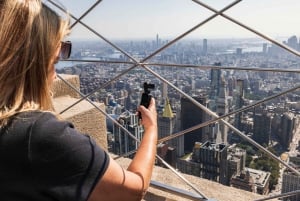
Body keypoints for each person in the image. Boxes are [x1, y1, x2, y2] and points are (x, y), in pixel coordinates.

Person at [0, 0, 158, 201]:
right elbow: (133, 190)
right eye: (54, 62)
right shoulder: (39, 135)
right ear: (32, 63)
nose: (56, 76)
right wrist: (151, 129)